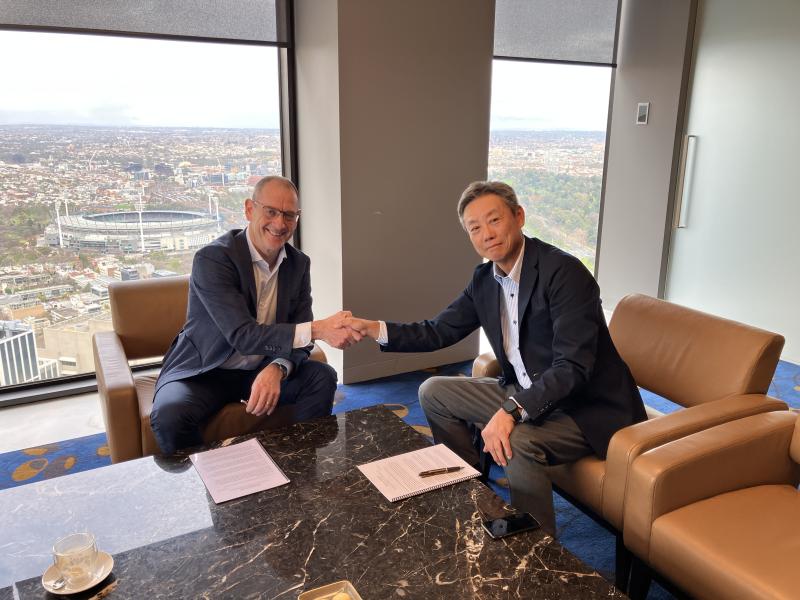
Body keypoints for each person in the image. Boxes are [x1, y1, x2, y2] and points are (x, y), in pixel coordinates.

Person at [347, 180, 646, 533]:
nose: (486, 234)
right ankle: (469, 490)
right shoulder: (484, 279)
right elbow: (438, 331)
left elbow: (573, 367)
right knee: (433, 391)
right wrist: (371, 328)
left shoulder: (564, 273)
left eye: (494, 220)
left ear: (518, 217)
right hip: (525, 390)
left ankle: (534, 550)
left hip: (584, 408)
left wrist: (512, 411)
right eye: (475, 228)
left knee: (516, 441)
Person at [150, 175, 359, 454]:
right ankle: (205, 486)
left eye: (289, 215)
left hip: (260, 368)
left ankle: (301, 472)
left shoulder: (298, 264)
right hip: (206, 370)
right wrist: (320, 328)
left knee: (321, 377)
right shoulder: (213, 259)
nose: (280, 223)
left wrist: (278, 367)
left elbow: (299, 336)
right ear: (250, 209)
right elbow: (243, 336)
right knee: (170, 416)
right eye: (270, 211)